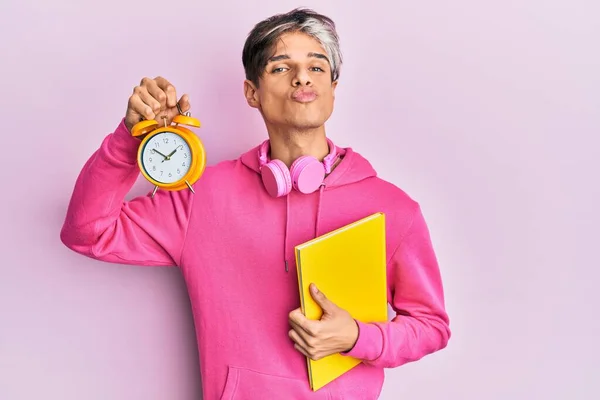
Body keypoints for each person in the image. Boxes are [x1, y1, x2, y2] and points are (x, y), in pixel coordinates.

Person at [60, 7, 450, 399]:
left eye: (317, 67)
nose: (302, 76)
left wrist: (357, 337)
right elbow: (87, 232)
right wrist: (131, 136)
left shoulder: (392, 207)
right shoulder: (203, 196)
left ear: (333, 88)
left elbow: (431, 326)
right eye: (281, 68)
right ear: (252, 93)